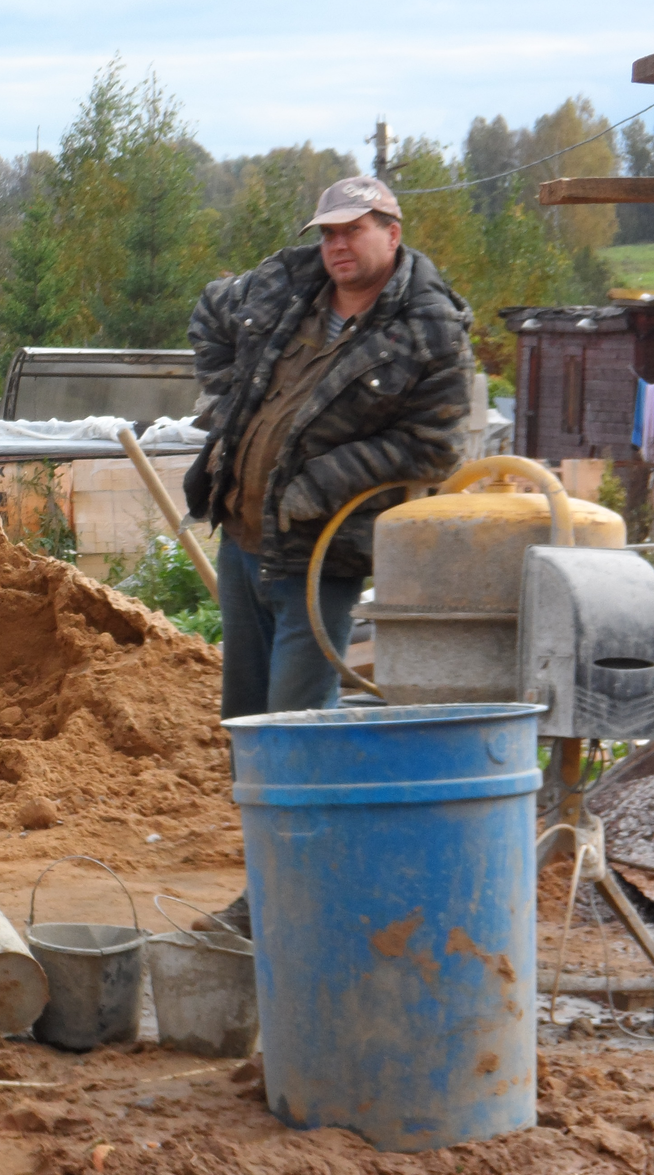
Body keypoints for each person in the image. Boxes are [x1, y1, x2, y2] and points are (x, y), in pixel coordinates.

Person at [185, 176, 474, 936]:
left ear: (392, 230)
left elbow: (435, 444)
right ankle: (270, 894)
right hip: (247, 542)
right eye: (327, 232)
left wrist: (321, 481)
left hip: (319, 560)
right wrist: (231, 405)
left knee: (296, 735)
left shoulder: (429, 328)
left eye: (352, 231)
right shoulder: (291, 283)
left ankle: (298, 908)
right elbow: (211, 312)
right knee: (250, 730)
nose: (335, 246)